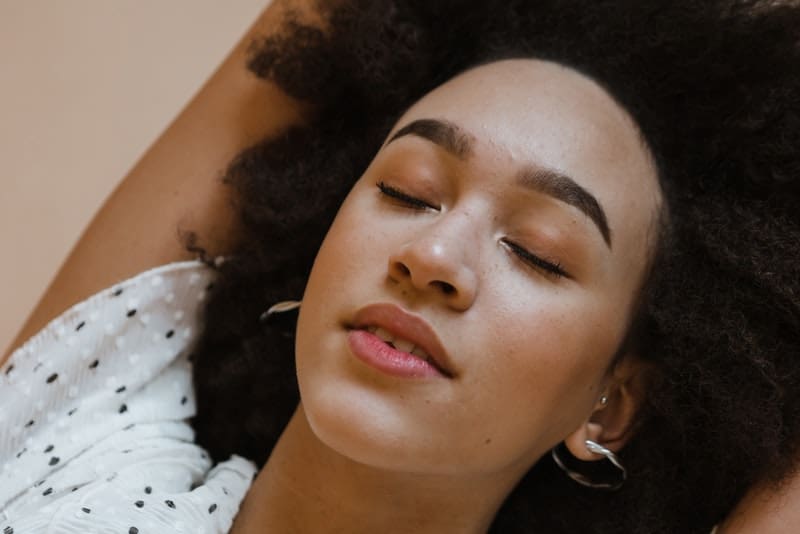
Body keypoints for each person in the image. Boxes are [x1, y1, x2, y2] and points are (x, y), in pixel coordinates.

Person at [2, 1, 799, 533]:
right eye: (408, 192)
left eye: (536, 252)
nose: (432, 257)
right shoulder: (82, 438)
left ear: (611, 406)